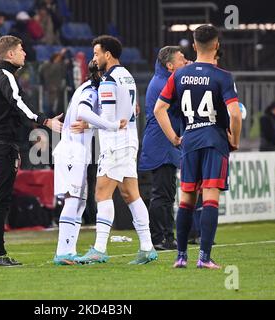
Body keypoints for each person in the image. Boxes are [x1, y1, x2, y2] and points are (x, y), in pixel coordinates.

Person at [155, 25, 242, 269]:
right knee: (210, 199)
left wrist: (174, 137)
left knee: (186, 201)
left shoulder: (179, 75)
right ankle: (204, 258)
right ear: (217, 45)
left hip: (190, 140)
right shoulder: (223, 76)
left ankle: (181, 257)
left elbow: (158, 109)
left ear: (194, 46)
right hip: (214, 140)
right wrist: (234, 139)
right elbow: (235, 114)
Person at [75, 35, 157, 265]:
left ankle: (99, 249)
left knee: (101, 193)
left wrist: (88, 123)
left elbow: (110, 119)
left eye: (96, 54)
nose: (94, 58)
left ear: (107, 54)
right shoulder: (127, 76)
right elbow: (134, 110)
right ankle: (147, 247)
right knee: (131, 194)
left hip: (115, 143)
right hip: (130, 140)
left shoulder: (110, 79)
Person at [0, 35, 63, 267]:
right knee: (0, 199)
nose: (24, 53)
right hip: (1, 144)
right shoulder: (6, 78)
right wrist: (45, 121)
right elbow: (19, 105)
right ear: (10, 54)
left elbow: (1, 111)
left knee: (0, 198)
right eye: (20, 49)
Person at [53, 60, 126, 265]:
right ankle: (63, 252)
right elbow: (83, 111)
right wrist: (111, 125)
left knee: (80, 203)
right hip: (71, 151)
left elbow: (86, 118)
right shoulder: (91, 90)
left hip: (78, 152)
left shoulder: (89, 88)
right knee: (73, 200)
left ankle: (69, 251)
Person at [139, 46, 187, 251]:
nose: (186, 61)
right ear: (170, 66)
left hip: (164, 144)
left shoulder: (165, 80)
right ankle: (158, 238)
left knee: (166, 194)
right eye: (182, 59)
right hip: (161, 145)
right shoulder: (163, 83)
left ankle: (167, 236)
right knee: (161, 194)